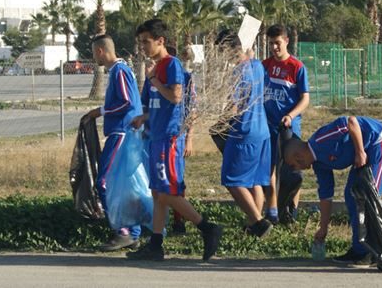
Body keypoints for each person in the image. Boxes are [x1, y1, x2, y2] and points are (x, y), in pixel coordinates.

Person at [127, 19, 222, 261]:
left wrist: (155, 81)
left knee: (168, 193)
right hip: (156, 137)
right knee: (158, 194)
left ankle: (207, 227)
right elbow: (160, 103)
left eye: (146, 42)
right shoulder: (156, 67)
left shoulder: (171, 65)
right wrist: (143, 116)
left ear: (160, 41)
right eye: (140, 42)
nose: (142, 47)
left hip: (169, 139)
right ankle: (156, 244)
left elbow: (177, 97)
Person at [284, 116, 382, 266]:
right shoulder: (319, 164)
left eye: (293, 165)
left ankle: (376, 251)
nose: (295, 169)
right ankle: (360, 250)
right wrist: (323, 228)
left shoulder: (320, 140)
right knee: (352, 195)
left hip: (380, 142)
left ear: (298, 157)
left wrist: (360, 152)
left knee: (368, 199)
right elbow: (326, 196)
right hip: (365, 152)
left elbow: (350, 122)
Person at [84, 34, 143, 252]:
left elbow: (127, 103)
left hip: (122, 133)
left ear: (100, 51)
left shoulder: (119, 71)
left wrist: (99, 111)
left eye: (93, 52)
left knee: (105, 182)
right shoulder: (120, 70)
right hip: (123, 132)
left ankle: (124, 231)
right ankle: (132, 232)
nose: (94, 57)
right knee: (123, 184)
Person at [216, 29, 273, 238]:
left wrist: (219, 120)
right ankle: (253, 227)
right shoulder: (257, 66)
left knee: (233, 180)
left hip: (244, 132)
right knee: (255, 180)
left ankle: (258, 222)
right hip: (262, 131)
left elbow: (234, 107)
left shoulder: (237, 73)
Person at [262, 24, 310, 224]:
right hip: (267, 127)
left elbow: (305, 99)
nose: (274, 48)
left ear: (286, 41)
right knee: (269, 170)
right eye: (271, 43)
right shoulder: (264, 65)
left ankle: (292, 212)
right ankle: (273, 212)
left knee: (293, 171)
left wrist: (290, 115)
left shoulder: (297, 67)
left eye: (277, 43)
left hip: (289, 128)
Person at [165, 45, 194, 236]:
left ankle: (179, 221)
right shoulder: (155, 77)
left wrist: (189, 138)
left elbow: (192, 110)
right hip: (159, 137)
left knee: (177, 180)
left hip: (178, 136)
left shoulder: (186, 78)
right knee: (160, 183)